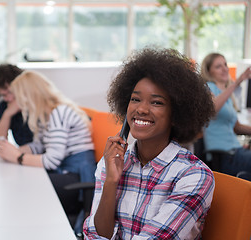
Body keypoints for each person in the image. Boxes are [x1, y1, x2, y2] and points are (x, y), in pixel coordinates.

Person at [83, 47, 215, 239]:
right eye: (135, 99)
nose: (141, 109)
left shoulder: (193, 176)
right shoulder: (110, 163)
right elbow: (94, 235)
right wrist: (111, 181)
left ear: (176, 114)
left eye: (156, 102)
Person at [0, 70, 97, 220]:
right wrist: (14, 151)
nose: (16, 104)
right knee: (23, 180)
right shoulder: (46, 115)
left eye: (18, 99)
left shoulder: (58, 113)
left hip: (77, 176)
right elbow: (39, 146)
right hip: (65, 170)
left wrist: (17, 157)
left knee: (26, 185)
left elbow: (51, 159)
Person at [201, 53, 251, 176]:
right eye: (218, 66)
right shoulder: (207, 88)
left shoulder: (226, 95)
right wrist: (236, 83)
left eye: (225, 64)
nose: (225, 69)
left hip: (236, 151)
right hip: (224, 155)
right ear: (208, 71)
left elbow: (236, 127)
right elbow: (212, 109)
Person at [0, 64, 33, 148]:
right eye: (4, 95)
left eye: (11, 92)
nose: (9, 98)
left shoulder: (36, 102)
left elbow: (41, 145)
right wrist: (7, 114)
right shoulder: (4, 105)